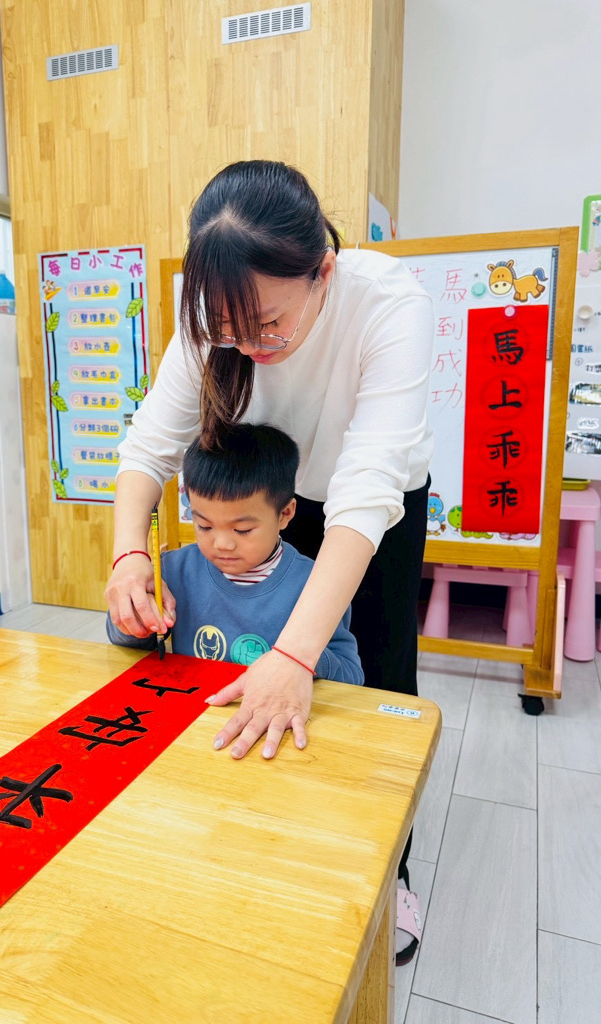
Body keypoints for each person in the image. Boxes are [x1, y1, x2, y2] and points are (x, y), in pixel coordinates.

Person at [105, 159, 433, 965]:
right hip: (266, 496)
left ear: (323, 272)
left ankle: (387, 868)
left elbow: (365, 491)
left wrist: (296, 654)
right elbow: (148, 447)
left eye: (268, 325)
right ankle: (275, 835)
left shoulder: (388, 302)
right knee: (248, 660)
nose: (250, 345)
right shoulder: (210, 315)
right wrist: (127, 555)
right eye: (230, 331)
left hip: (369, 513)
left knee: (375, 678)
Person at [107, 423, 364, 686]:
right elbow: (129, 644)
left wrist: (304, 658)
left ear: (285, 514)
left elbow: (351, 675)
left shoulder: (316, 583)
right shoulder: (173, 570)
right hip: (193, 705)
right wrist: (135, 618)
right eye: (204, 526)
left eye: (242, 530)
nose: (222, 544)